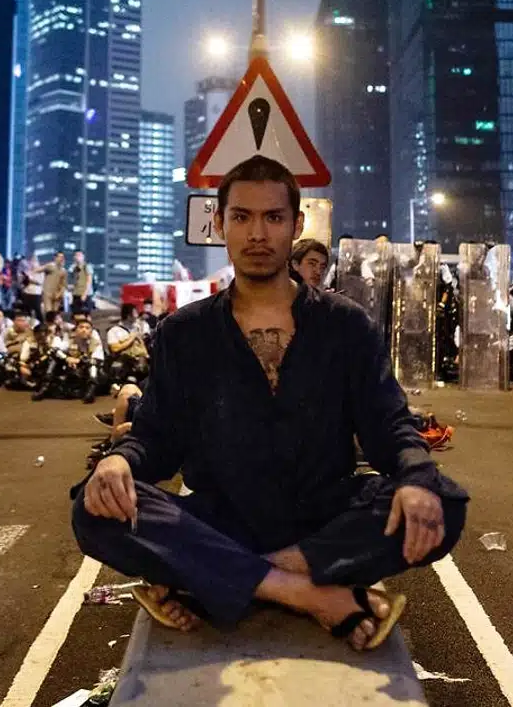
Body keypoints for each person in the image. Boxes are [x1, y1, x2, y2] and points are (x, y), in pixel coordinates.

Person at [73, 156, 467, 651]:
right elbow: (157, 438)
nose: (257, 233)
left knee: (444, 501)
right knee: (91, 508)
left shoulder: (345, 325)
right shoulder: (185, 332)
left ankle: (223, 575)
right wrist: (118, 461)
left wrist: (413, 479)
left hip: (323, 515)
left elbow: (388, 425)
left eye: (273, 218)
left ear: (295, 225)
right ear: (219, 225)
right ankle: (305, 593)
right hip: (221, 513)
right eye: (241, 217)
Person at [37, 315, 105, 403]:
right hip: (70, 368)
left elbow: (97, 359)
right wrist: (66, 358)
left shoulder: (95, 343)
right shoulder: (70, 340)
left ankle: (90, 391)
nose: (84, 330)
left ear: (91, 331)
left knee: (93, 363)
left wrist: (79, 361)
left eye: (87, 328)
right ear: (76, 330)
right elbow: (55, 349)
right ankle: (44, 388)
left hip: (88, 371)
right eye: (81, 327)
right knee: (53, 358)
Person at [106, 304, 151, 388]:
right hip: (124, 360)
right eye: (135, 313)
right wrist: (132, 338)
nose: (137, 315)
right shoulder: (115, 330)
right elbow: (115, 348)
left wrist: (146, 354)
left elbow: (141, 344)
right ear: (128, 315)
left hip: (139, 360)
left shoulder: (137, 328)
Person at [41, 252, 68, 317]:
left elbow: (64, 285)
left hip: (57, 294)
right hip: (47, 293)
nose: (61, 259)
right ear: (55, 258)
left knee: (55, 313)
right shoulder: (49, 266)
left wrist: (59, 293)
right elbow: (38, 271)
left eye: (62, 257)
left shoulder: (64, 271)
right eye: (59, 257)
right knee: (48, 312)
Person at [20, 256, 44, 321]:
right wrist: (24, 279)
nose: (33, 263)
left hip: (36, 293)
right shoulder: (28, 271)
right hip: (27, 292)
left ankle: (41, 324)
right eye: (32, 261)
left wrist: (31, 280)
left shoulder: (41, 271)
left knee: (37, 310)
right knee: (27, 311)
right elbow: (22, 282)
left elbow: (40, 282)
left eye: (34, 261)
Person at [72, 251, 95, 315]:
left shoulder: (87, 266)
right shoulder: (74, 268)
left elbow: (89, 281)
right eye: (76, 255)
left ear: (83, 257)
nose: (77, 257)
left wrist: (84, 294)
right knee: (76, 315)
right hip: (76, 294)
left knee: (86, 316)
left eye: (79, 255)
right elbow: (75, 281)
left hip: (85, 295)